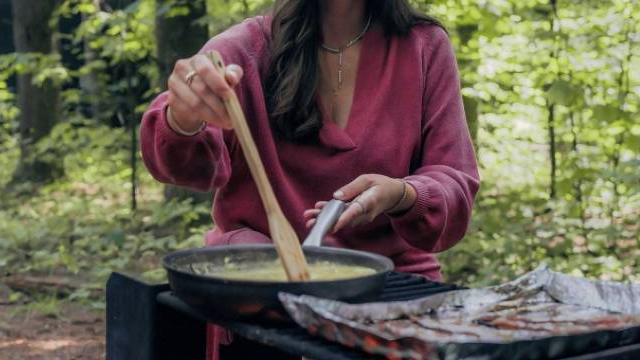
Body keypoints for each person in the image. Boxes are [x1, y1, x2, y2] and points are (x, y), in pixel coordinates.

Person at [140, 0, 479, 358]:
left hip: (389, 282)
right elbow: (181, 165)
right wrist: (181, 117)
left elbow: (453, 184)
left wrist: (403, 193)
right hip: (258, 285)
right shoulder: (244, 51)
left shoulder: (425, 45)